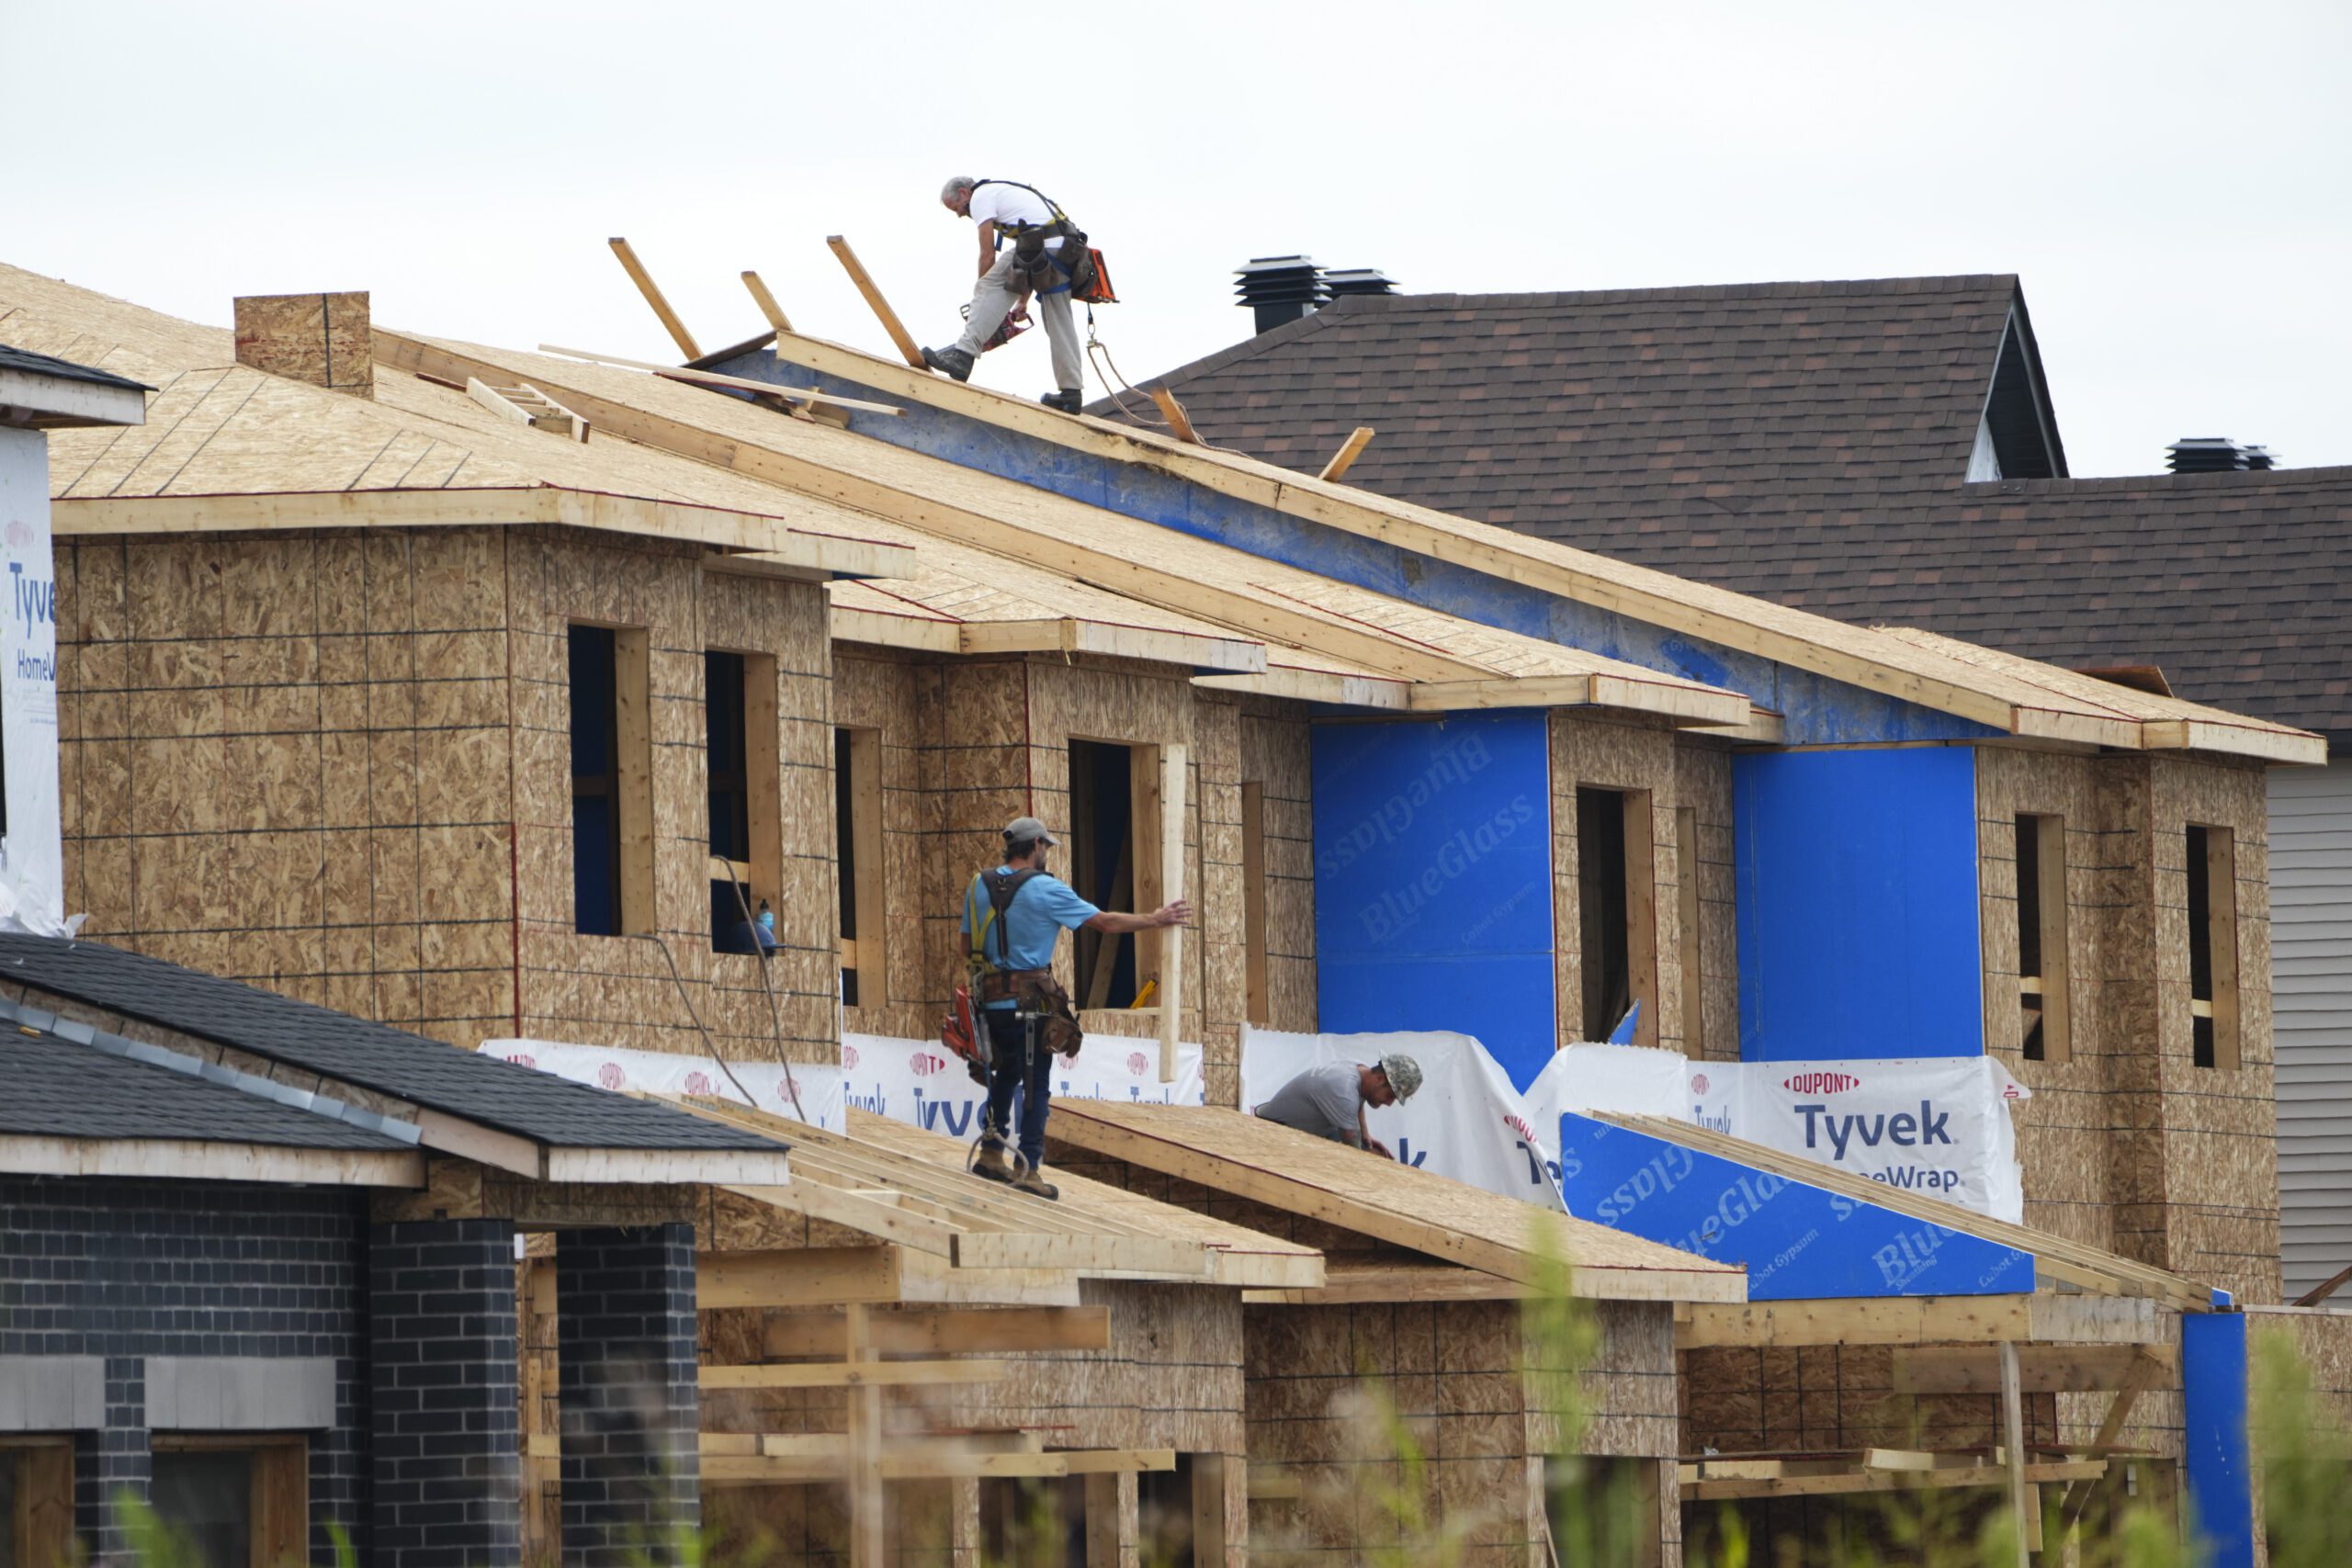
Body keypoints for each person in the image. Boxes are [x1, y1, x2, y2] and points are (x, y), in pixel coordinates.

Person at [962, 815, 1190, 1199]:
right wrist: (1156, 919)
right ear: (1036, 847)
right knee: (1035, 1082)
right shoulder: (1046, 889)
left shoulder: (977, 886)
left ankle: (990, 1151)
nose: (1046, 854)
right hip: (1031, 1000)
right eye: (1046, 847)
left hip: (989, 1000)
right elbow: (1104, 922)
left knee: (1005, 1070)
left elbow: (966, 948)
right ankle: (1029, 1167)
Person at [922, 175, 1087, 413]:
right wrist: (1023, 300)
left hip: (1043, 245)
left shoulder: (981, 196)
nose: (959, 214)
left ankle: (963, 356)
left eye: (957, 208)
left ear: (965, 193)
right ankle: (1071, 395)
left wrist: (982, 297)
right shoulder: (1004, 195)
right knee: (1059, 321)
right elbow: (1031, 255)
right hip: (1065, 250)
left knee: (988, 286)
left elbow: (987, 254)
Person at [1254, 1055, 1423, 1159]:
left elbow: (1357, 1101)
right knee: (1368, 1164)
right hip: (1274, 1133)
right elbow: (1355, 1156)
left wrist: (1365, 1135)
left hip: (1303, 1128)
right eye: (1390, 1096)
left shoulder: (1359, 1069)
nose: (1389, 1103)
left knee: (1373, 1155)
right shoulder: (1343, 1089)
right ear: (1379, 1079)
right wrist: (1366, 1152)